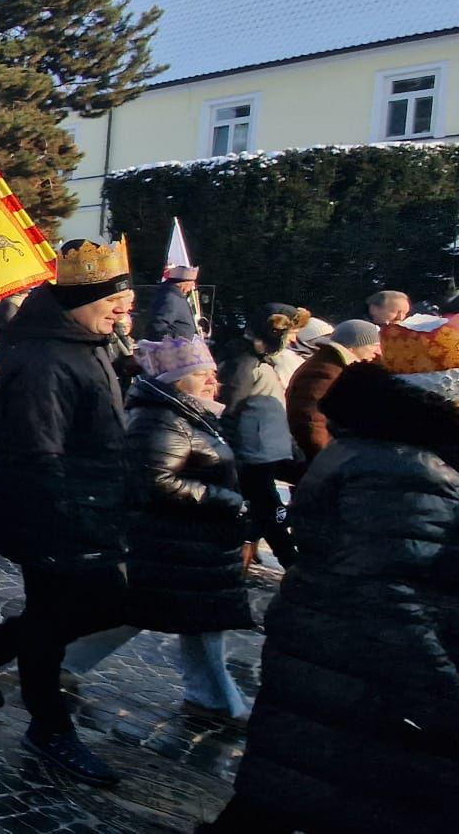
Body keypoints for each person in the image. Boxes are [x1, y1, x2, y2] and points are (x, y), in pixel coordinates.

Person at [202, 319, 459, 833]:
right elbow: (390, 596)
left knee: (287, 792)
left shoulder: (392, 450)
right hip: (358, 674)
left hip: (333, 660)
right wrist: (445, 690)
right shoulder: (406, 469)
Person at [0, 239, 136, 787]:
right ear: (80, 297)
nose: (120, 311)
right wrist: (73, 519)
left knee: (72, 615)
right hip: (54, 513)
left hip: (89, 507)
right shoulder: (44, 356)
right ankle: (50, 726)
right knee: (61, 617)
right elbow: (37, 450)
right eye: (113, 301)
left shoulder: (82, 343)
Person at [59, 337, 253, 720]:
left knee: (148, 613)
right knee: (191, 617)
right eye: (202, 374)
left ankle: (61, 663)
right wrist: (221, 497)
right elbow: (154, 479)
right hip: (174, 540)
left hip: (186, 541)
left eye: (213, 373)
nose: (214, 381)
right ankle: (218, 700)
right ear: (178, 380)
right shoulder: (162, 418)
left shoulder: (191, 412)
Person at [219, 304, 308, 564]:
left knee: (268, 511)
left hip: (266, 450)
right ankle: (290, 562)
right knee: (270, 512)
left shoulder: (257, 360)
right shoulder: (243, 362)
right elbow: (229, 408)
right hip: (254, 453)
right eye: (290, 334)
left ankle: (270, 550)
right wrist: (232, 453)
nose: (294, 340)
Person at [284, 319, 381, 464]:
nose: (377, 352)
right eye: (373, 346)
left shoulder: (333, 364)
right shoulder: (326, 371)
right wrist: (326, 458)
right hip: (324, 460)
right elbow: (311, 420)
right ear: (353, 347)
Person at [142, 264, 201, 341]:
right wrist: (177, 338)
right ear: (182, 283)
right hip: (173, 349)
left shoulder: (176, 297)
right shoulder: (170, 299)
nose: (192, 287)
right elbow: (157, 326)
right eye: (191, 283)